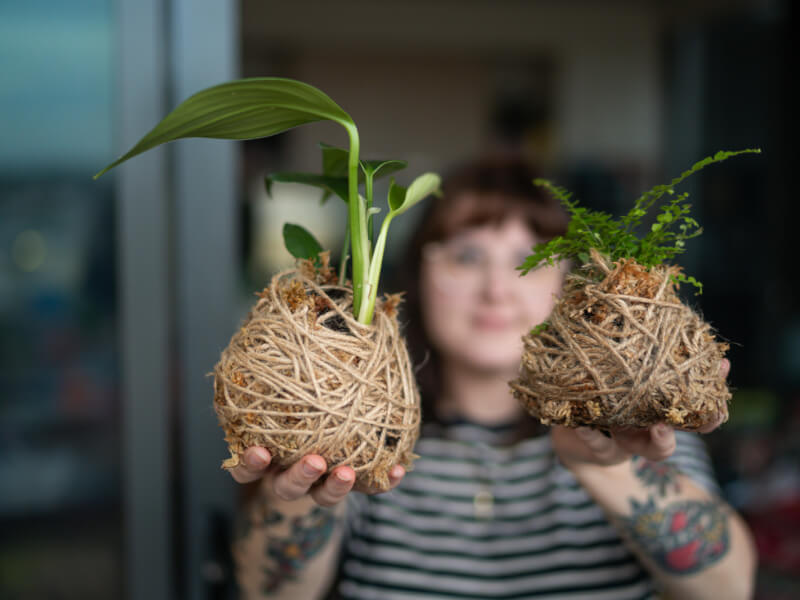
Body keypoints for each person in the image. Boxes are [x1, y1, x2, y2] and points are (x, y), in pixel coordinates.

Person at [229, 157, 757, 599]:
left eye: (529, 259)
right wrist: (298, 487)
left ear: (570, 284)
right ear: (417, 276)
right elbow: (270, 593)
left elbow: (728, 588)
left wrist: (602, 460)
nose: (497, 289)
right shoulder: (366, 433)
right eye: (466, 257)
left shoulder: (638, 428)